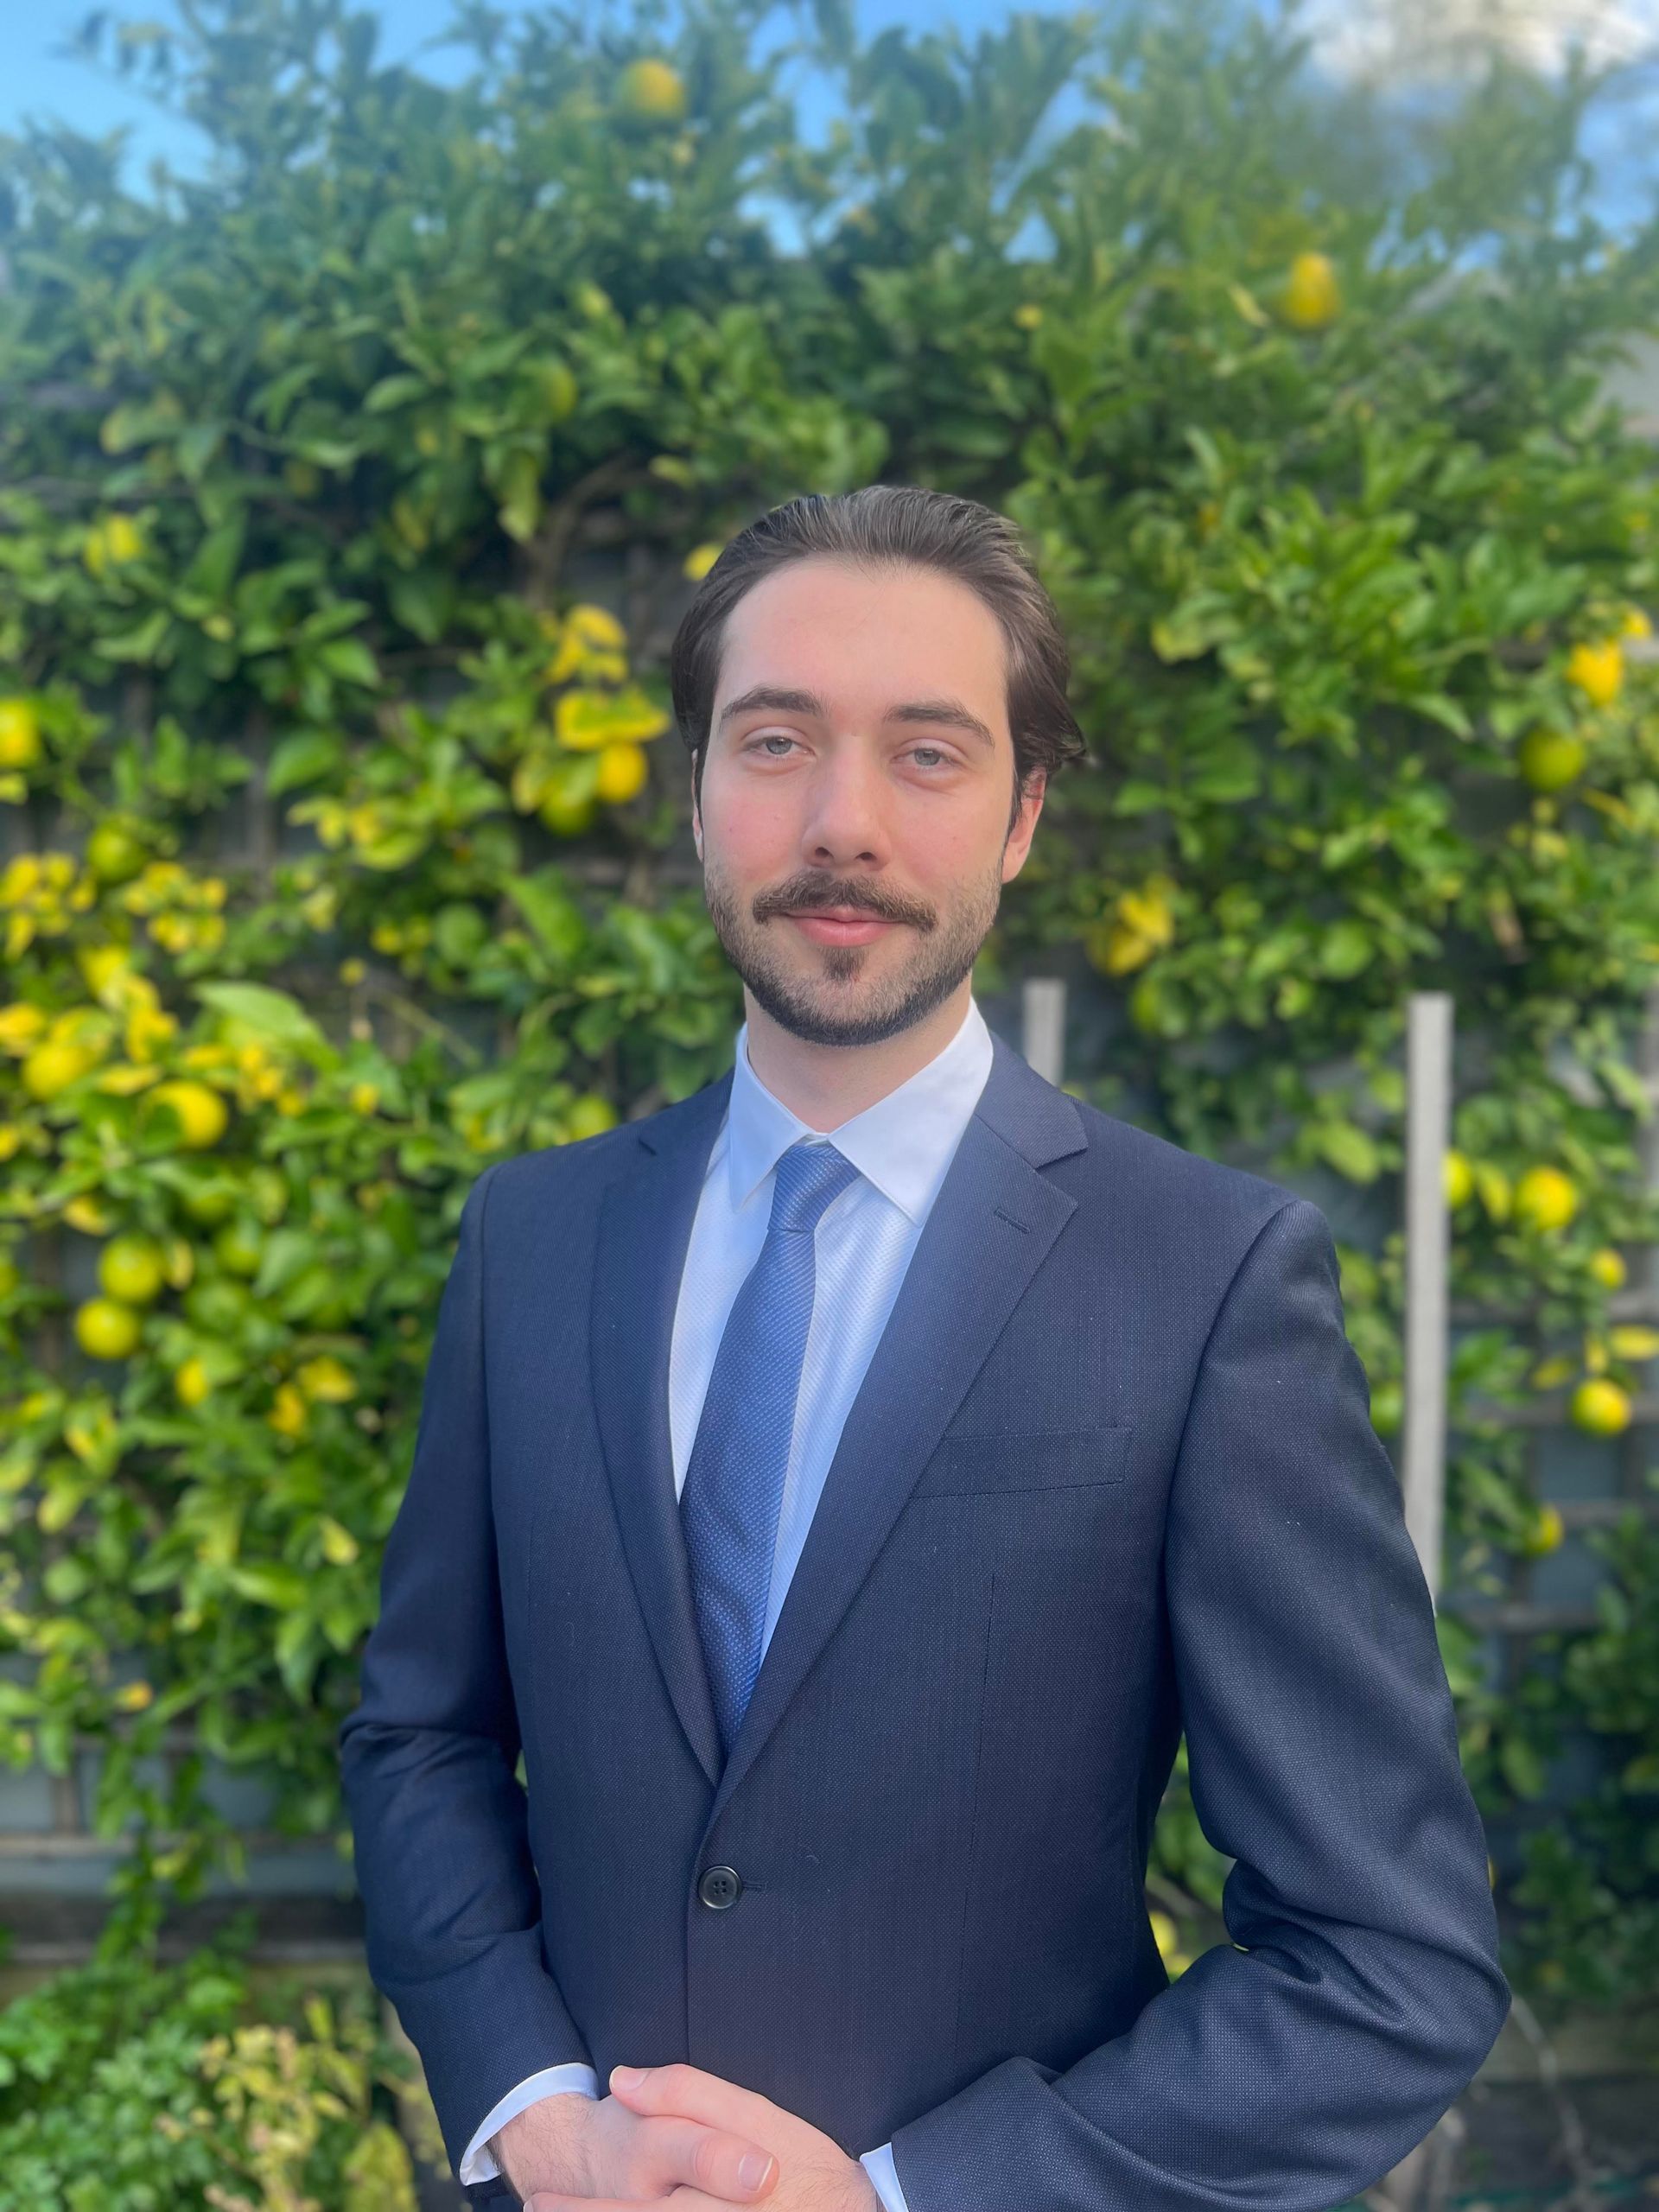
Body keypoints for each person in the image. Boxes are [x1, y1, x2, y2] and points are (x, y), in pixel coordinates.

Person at [340, 485, 1510, 2212]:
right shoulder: (539, 1234)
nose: (842, 820)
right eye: (776, 738)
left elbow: (1384, 1963)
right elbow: (420, 1734)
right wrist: (530, 2105)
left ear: (1026, 813)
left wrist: (912, 2191)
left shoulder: (1203, 1277)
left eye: (930, 753)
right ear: (695, 786)